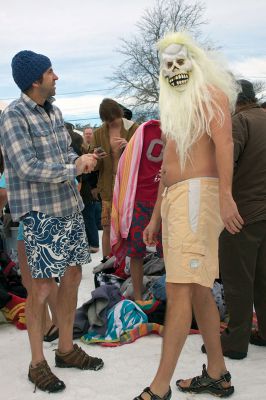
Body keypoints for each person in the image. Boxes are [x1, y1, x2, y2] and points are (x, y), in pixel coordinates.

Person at [134, 32, 242, 400]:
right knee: (197, 291)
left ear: (194, 61)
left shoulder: (211, 94)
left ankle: (159, 388)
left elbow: (225, 143)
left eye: (180, 62)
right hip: (179, 200)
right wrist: (154, 217)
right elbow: (168, 165)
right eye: (168, 65)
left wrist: (226, 195)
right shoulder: (177, 105)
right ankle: (217, 372)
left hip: (198, 197)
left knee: (180, 291)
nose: (175, 70)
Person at [0, 50, 104, 393]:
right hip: (39, 213)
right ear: (34, 79)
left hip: (69, 207)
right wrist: (71, 168)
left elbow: (64, 156)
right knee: (42, 288)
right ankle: (36, 364)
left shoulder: (55, 112)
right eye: (50, 71)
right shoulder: (13, 115)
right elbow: (26, 167)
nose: (56, 76)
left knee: (74, 276)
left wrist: (83, 159)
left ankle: (66, 350)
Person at [217, 80, 266, 358]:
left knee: (238, 280)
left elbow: (225, 166)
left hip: (241, 215)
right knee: (263, 279)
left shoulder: (239, 122)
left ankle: (235, 343)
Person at [111, 120, 164, 300]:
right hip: (142, 200)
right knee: (137, 251)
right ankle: (139, 297)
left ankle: (169, 298)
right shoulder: (145, 130)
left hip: (163, 199)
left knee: (167, 252)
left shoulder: (179, 129)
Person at [91, 98, 138, 261]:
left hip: (129, 187)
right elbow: (93, 167)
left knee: (127, 227)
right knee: (107, 227)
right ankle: (106, 262)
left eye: (114, 120)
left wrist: (130, 146)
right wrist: (95, 157)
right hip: (107, 188)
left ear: (120, 114)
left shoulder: (134, 129)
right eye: (108, 122)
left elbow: (141, 157)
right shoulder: (98, 134)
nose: (112, 124)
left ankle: (126, 263)